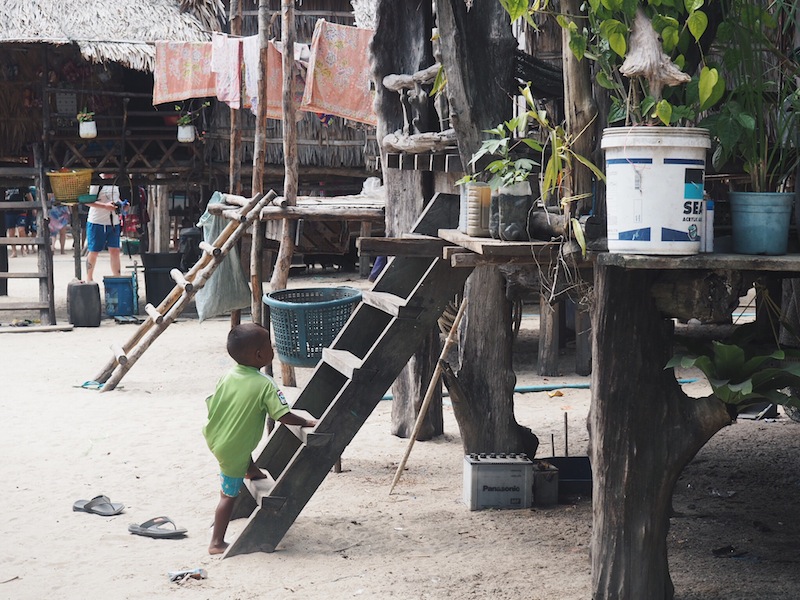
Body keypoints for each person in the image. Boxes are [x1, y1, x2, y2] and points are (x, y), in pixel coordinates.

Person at [203, 323, 317, 555]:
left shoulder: (228, 375)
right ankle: (216, 543)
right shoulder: (264, 384)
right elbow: (283, 415)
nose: (272, 348)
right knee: (227, 495)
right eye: (269, 345)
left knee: (240, 449)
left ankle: (251, 469)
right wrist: (305, 422)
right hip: (232, 448)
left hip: (216, 436)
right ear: (259, 355)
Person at [85, 183, 121, 282]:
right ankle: (89, 278)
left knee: (115, 251)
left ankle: (117, 277)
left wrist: (122, 205)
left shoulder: (116, 183)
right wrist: (105, 206)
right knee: (94, 251)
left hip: (114, 222)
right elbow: (87, 201)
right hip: (97, 221)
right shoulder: (96, 183)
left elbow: (118, 198)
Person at [3, 187, 30, 258]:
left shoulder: (21, 184)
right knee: (11, 231)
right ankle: (14, 251)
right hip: (9, 211)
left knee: (21, 229)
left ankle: (22, 248)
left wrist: (33, 207)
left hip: (21, 210)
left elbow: (28, 194)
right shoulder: (5, 184)